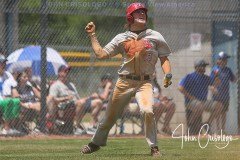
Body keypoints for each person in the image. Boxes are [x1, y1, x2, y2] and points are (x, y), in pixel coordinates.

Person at [81, 2, 173, 157]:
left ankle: (154, 147)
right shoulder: (121, 38)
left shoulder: (155, 36)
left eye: (143, 12)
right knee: (110, 115)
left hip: (144, 82)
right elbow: (101, 54)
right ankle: (95, 143)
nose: (142, 14)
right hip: (124, 82)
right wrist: (92, 35)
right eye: (138, 12)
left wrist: (168, 74)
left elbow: (164, 58)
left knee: (147, 110)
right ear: (130, 17)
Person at [47, 65, 102, 135]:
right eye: (65, 71)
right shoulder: (56, 85)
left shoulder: (71, 84)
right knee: (81, 102)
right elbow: (52, 99)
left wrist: (90, 97)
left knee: (98, 102)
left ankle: (92, 126)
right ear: (59, 73)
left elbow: (79, 99)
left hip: (78, 104)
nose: (67, 73)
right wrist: (65, 98)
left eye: (68, 71)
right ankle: (76, 127)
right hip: (65, 106)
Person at [178, 59, 220, 135]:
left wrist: (216, 77)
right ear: (197, 67)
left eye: (205, 66)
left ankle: (207, 124)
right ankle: (190, 126)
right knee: (199, 105)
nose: (204, 68)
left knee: (219, 105)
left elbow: (214, 86)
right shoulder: (190, 76)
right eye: (203, 66)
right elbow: (180, 88)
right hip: (191, 102)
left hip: (203, 102)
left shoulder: (206, 78)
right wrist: (191, 97)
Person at [210, 51, 236, 132]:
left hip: (225, 95)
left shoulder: (228, 70)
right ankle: (217, 130)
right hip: (217, 96)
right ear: (220, 60)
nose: (226, 61)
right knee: (217, 112)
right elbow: (211, 82)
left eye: (226, 60)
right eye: (224, 59)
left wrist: (236, 77)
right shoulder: (215, 70)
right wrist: (213, 88)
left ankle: (222, 130)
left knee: (224, 113)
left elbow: (233, 80)